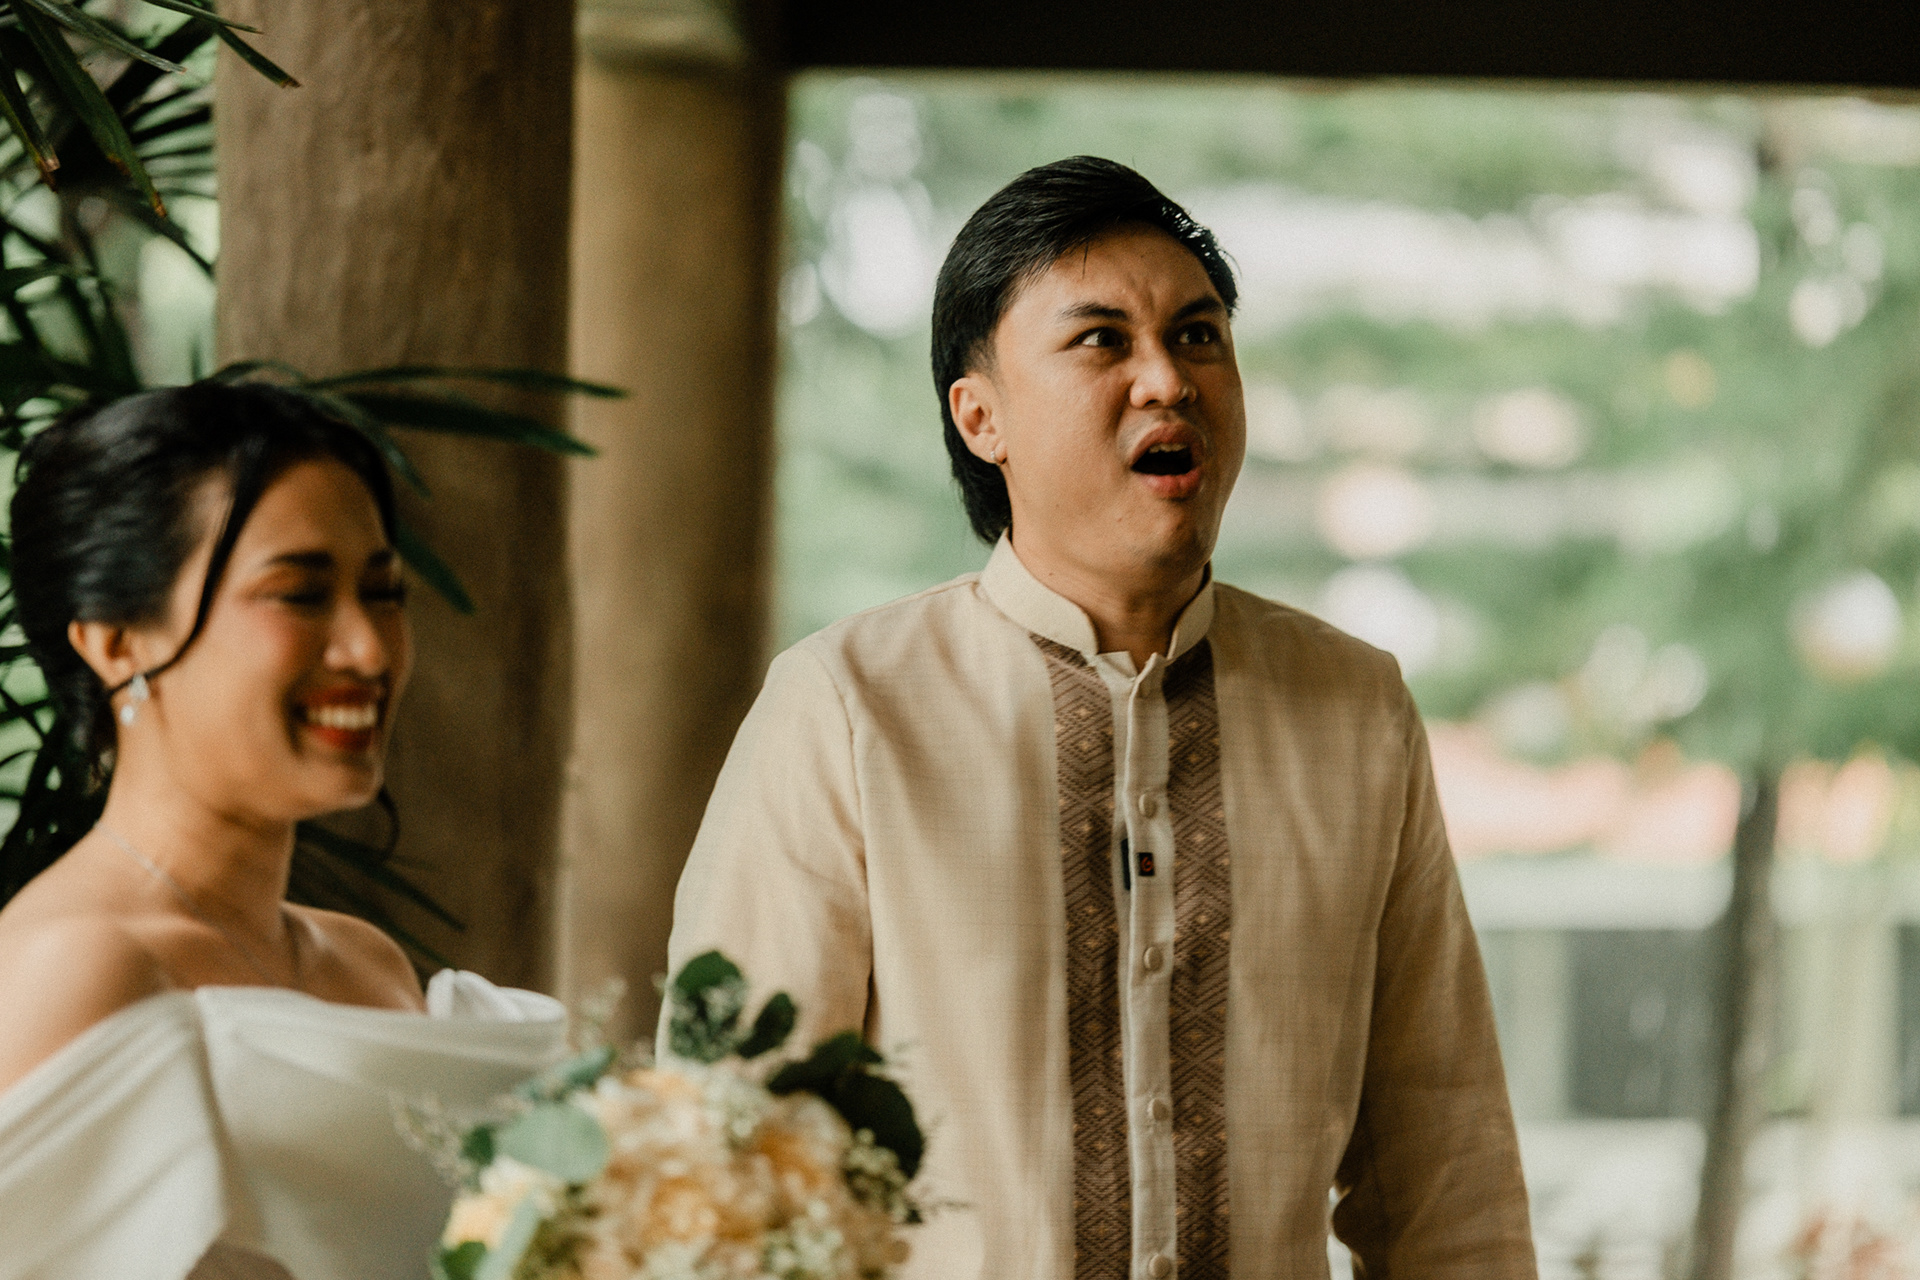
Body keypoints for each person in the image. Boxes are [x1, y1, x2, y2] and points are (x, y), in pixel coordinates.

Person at [664, 157, 1536, 1279]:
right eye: (1101, 341)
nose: (1167, 379)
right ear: (982, 417)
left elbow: (1447, 1178)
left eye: (1199, 335)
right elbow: (730, 1165)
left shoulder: (1357, 711)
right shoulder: (847, 708)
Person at [0, 383, 566, 1280]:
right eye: (299, 595)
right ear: (116, 642)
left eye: (383, 593)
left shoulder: (368, 965)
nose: (369, 651)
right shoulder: (72, 966)